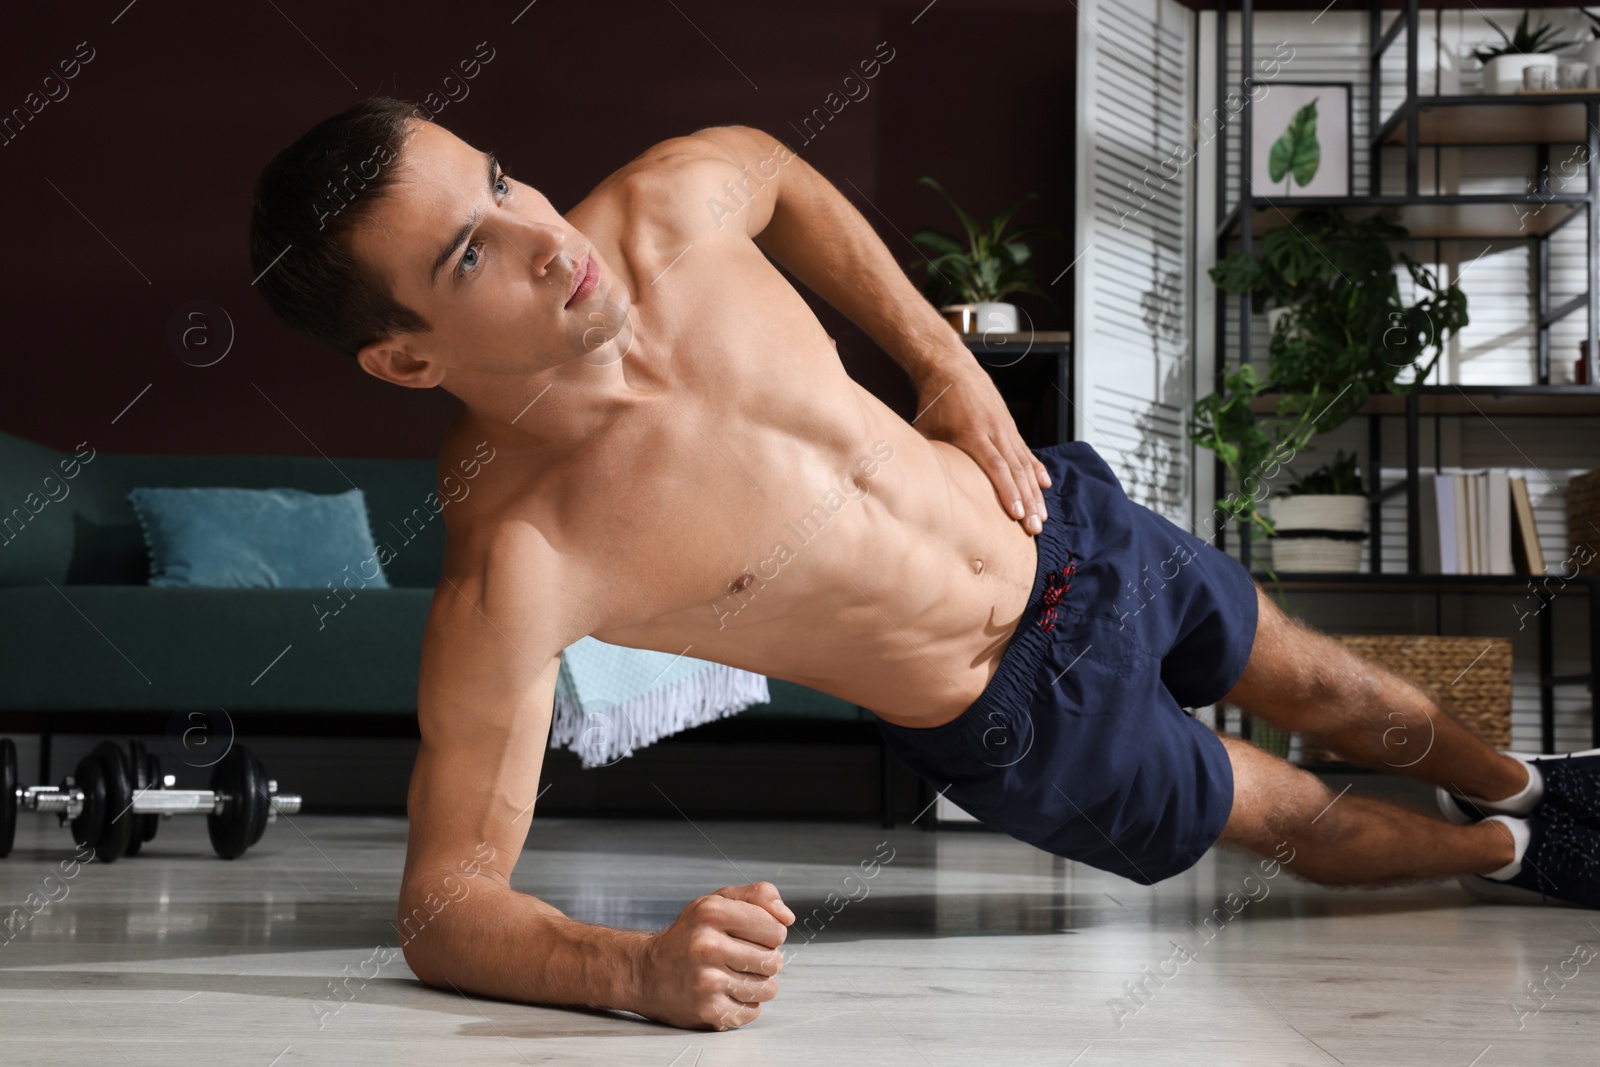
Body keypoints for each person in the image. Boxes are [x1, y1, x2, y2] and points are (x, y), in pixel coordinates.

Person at [248, 97, 1600, 1031]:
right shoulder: (520, 556)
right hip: (1026, 722)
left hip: (1068, 530)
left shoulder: (663, 210)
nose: (551, 237)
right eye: (475, 250)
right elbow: (444, 907)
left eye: (497, 176)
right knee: (1294, 817)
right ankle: (1513, 852)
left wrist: (947, 363)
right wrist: (634, 971)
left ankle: (1535, 779)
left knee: (1368, 700)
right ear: (408, 356)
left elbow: (770, 166)